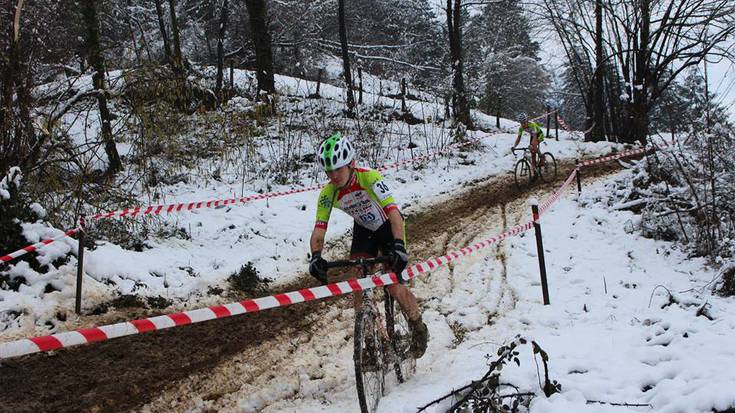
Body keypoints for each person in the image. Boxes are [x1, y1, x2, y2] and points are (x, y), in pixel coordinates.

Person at [308, 132, 428, 358]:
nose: (333, 175)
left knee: (393, 285)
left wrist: (399, 246)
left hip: (388, 228)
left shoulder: (369, 178)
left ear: (351, 164)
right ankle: (370, 343)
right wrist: (315, 255)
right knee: (357, 282)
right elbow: (319, 229)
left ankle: (418, 326)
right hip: (364, 231)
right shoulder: (328, 193)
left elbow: (393, 213)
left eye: (338, 168)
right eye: (329, 170)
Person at [512, 112, 545, 177]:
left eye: (524, 122)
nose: (523, 124)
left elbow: (535, 136)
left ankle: (542, 157)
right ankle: (535, 172)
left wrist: (532, 145)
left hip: (539, 135)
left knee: (534, 147)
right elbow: (518, 138)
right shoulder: (521, 128)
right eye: (521, 123)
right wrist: (514, 146)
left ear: (527, 121)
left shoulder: (532, 125)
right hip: (532, 135)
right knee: (532, 154)